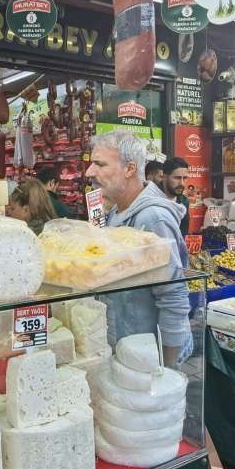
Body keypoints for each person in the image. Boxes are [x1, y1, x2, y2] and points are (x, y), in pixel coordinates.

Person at [87, 130, 193, 365]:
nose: (89, 172)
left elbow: (174, 297)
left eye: (100, 164)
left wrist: (167, 368)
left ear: (129, 169)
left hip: (148, 361)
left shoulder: (152, 219)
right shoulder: (116, 211)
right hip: (126, 352)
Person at [162, 156, 191, 236]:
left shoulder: (184, 201)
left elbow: (183, 232)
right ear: (164, 177)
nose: (182, 183)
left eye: (185, 178)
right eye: (177, 178)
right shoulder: (152, 198)